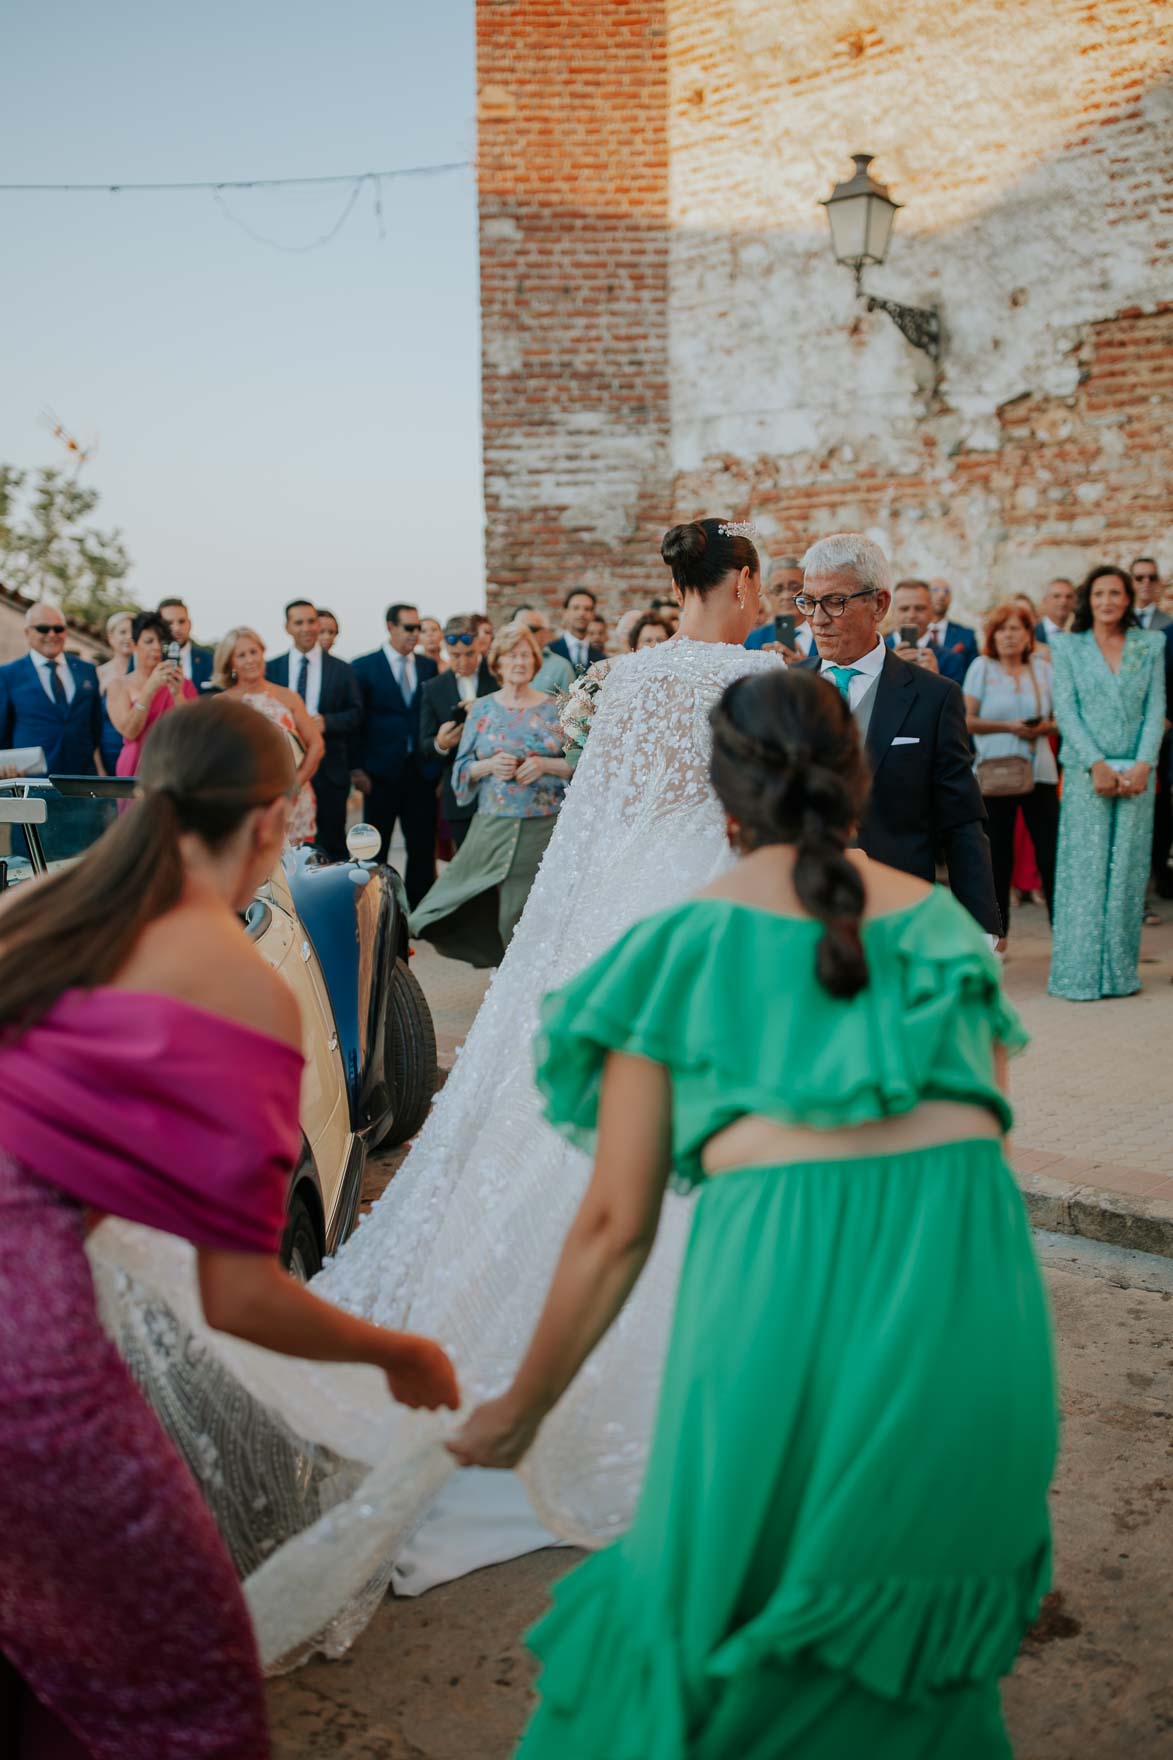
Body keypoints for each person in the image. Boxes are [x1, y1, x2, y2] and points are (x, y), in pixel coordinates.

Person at [82, 518, 781, 1668]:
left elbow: (589, 830)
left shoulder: (628, 672)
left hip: (611, 915)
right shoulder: (760, 676)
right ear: (742, 580)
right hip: (707, 914)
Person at [453, 669, 1055, 1760]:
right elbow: (981, 1177)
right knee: (907, 1688)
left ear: (721, 794)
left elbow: (613, 1228)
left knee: (708, 1656)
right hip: (980, 1338)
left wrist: (519, 1406)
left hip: (783, 1327)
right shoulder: (955, 943)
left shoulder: (677, 946)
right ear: (859, 779)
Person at [0, 698, 458, 1758]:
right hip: (28, 1347)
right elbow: (238, 1292)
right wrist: (402, 1350)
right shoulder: (240, 984)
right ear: (275, 818)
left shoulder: (48, 913)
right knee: (187, 1680)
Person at [796, 536, 1002, 937]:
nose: (817, 619)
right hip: (799, 912)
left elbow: (961, 822)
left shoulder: (935, 697)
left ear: (879, 604)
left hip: (899, 914)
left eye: (835, 602)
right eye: (808, 601)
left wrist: (983, 929)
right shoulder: (783, 687)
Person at [411, 625, 573, 966]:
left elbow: (581, 765)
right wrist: (488, 767)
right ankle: (500, 967)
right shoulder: (481, 710)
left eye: (526, 655)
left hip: (543, 824)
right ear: (497, 663)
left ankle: (522, 976)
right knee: (452, 895)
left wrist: (545, 764)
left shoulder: (555, 709)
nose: (520, 662)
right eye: (513, 655)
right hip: (491, 822)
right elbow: (462, 768)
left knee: (523, 909)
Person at [1049, 566, 1167, 1000]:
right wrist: (1095, 763)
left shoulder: (1150, 644)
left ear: (1128, 598)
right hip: (1086, 772)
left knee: (1127, 874)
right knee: (1085, 873)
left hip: (1136, 773)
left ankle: (1119, 974)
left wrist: (1143, 764)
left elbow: (1156, 709)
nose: (1107, 601)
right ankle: (1077, 975)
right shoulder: (1067, 646)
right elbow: (1066, 708)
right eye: (1099, 593)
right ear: (1087, 599)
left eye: (1116, 593)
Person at [963, 604, 1059, 938]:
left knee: (1050, 855)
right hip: (994, 774)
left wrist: (1045, 727)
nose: (1008, 636)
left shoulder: (1043, 669)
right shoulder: (982, 668)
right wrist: (1009, 727)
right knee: (997, 859)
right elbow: (967, 719)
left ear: (1028, 635)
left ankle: (1062, 934)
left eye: (1016, 629)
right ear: (992, 635)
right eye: (1002, 629)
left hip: (1039, 772)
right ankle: (998, 936)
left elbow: (1062, 716)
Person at [351, 604, 440, 904]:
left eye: (418, 628)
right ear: (390, 627)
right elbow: (357, 722)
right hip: (379, 774)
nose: (416, 634)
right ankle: (376, 909)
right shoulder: (363, 667)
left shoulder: (428, 667)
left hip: (420, 772)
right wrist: (357, 769)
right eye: (409, 628)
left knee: (421, 846)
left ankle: (420, 913)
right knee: (376, 848)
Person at [265, 599, 363, 862]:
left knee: (332, 847)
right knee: (285, 849)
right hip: (285, 774)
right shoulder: (272, 669)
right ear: (287, 627)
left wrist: (327, 722)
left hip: (330, 772)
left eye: (311, 621)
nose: (306, 628)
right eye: (299, 622)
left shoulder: (342, 669)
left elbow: (357, 714)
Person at [213, 627, 324, 846]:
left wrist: (294, 786)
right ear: (230, 663)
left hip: (293, 801)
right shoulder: (221, 704)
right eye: (241, 655)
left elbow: (316, 745)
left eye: (254, 652)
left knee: (295, 873)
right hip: (245, 804)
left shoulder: (288, 697)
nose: (250, 660)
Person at [0, 603, 103, 776]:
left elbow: (95, 725)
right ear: (27, 633)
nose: (52, 634)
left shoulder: (87, 670)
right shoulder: (8, 674)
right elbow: (2, 731)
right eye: (43, 629)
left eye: (58, 628)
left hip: (82, 780)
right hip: (32, 780)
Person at [419, 614, 490, 852]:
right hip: (458, 795)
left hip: (498, 788)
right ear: (446, 649)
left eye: (469, 654)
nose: (462, 662)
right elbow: (425, 744)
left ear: (479, 645)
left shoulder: (499, 680)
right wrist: (441, 743)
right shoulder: (433, 688)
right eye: (455, 656)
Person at [109, 611, 199, 776]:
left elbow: (194, 732)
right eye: (149, 641)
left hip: (174, 768)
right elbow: (130, 732)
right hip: (134, 768)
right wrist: (150, 688)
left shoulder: (183, 683)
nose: (156, 647)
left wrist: (177, 694)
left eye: (161, 641)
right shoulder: (119, 686)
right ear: (135, 645)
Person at [886, 577, 974, 684]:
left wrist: (935, 680)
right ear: (893, 612)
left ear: (932, 612)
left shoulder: (951, 660)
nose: (911, 615)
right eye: (904, 609)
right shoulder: (876, 651)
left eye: (919, 608)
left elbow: (956, 700)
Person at [745, 555, 811, 656]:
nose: (786, 596)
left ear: (807, 589)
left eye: (794, 587)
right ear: (768, 594)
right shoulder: (754, 640)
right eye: (778, 589)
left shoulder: (825, 633)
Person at [96, 610, 136, 773]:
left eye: (133, 632)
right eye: (122, 632)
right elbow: (90, 724)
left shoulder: (147, 675)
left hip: (139, 756)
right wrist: (99, 769)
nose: (129, 637)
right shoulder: (98, 674)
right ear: (111, 637)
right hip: (107, 755)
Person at [512, 608, 575, 694]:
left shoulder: (561, 667)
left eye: (531, 629)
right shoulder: (504, 661)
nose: (523, 633)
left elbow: (571, 705)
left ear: (545, 632)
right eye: (519, 628)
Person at [158, 596, 215, 692]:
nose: (176, 628)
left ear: (190, 624)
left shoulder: (210, 660)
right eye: (169, 623)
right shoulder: (148, 660)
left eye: (181, 621)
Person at [548, 589, 606, 675]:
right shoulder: (550, 652)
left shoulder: (602, 659)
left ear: (593, 615)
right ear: (565, 612)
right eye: (576, 608)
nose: (581, 613)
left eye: (587, 609)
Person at [927, 579, 980, 670]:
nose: (942, 595)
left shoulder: (966, 635)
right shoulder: (915, 633)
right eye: (935, 590)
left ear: (951, 599)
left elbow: (973, 672)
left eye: (946, 591)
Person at [1131, 557, 1170, 632]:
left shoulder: (1169, 623)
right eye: (1139, 578)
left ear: (1157, 582)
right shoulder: (1118, 621)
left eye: (1152, 578)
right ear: (1131, 582)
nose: (1146, 582)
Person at [1035, 578, 1075, 648]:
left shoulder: (1081, 634)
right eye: (1057, 596)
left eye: (1069, 597)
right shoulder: (1031, 634)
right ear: (1045, 601)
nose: (1063, 601)